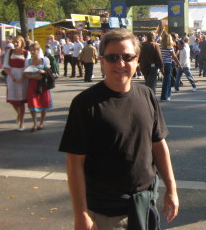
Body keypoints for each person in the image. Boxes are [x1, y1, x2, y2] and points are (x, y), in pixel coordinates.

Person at [59, 29, 179, 230]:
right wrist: (81, 214)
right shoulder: (85, 104)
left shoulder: (147, 94)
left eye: (127, 57)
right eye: (113, 57)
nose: (120, 64)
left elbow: (158, 145)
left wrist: (172, 189)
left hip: (146, 204)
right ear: (102, 61)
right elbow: (74, 163)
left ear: (137, 60)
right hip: (106, 212)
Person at [3, 36, 30, 131]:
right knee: (13, 100)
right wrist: (12, 76)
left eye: (17, 42)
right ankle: (19, 114)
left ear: (21, 42)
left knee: (21, 101)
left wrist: (23, 77)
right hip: (12, 77)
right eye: (14, 42)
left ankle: (21, 123)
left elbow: (28, 67)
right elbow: (6, 66)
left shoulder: (26, 53)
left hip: (23, 77)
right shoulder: (9, 52)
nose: (15, 43)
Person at [24, 42, 53, 132]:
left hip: (42, 83)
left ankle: (42, 122)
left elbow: (49, 72)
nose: (33, 52)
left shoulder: (45, 60)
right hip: (32, 83)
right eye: (31, 50)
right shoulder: (28, 61)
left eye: (34, 50)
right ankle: (35, 123)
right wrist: (33, 76)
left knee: (43, 102)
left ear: (38, 50)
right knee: (32, 103)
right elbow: (25, 74)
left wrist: (43, 72)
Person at [160, 34, 181, 102]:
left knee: (166, 80)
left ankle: (164, 95)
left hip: (163, 64)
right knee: (168, 80)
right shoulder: (170, 47)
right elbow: (174, 57)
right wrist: (179, 64)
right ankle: (166, 95)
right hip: (168, 64)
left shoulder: (160, 46)